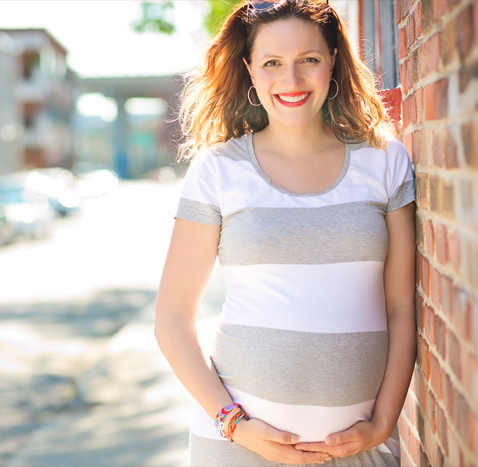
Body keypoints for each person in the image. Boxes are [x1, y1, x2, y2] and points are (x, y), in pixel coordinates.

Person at [154, 1, 416, 465]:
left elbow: (400, 309)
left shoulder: (385, 161)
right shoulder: (218, 170)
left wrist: (383, 423)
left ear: (333, 60)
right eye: (272, 63)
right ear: (250, 70)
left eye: (308, 60)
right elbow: (173, 319)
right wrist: (235, 425)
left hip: (360, 449)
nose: (290, 81)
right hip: (238, 448)